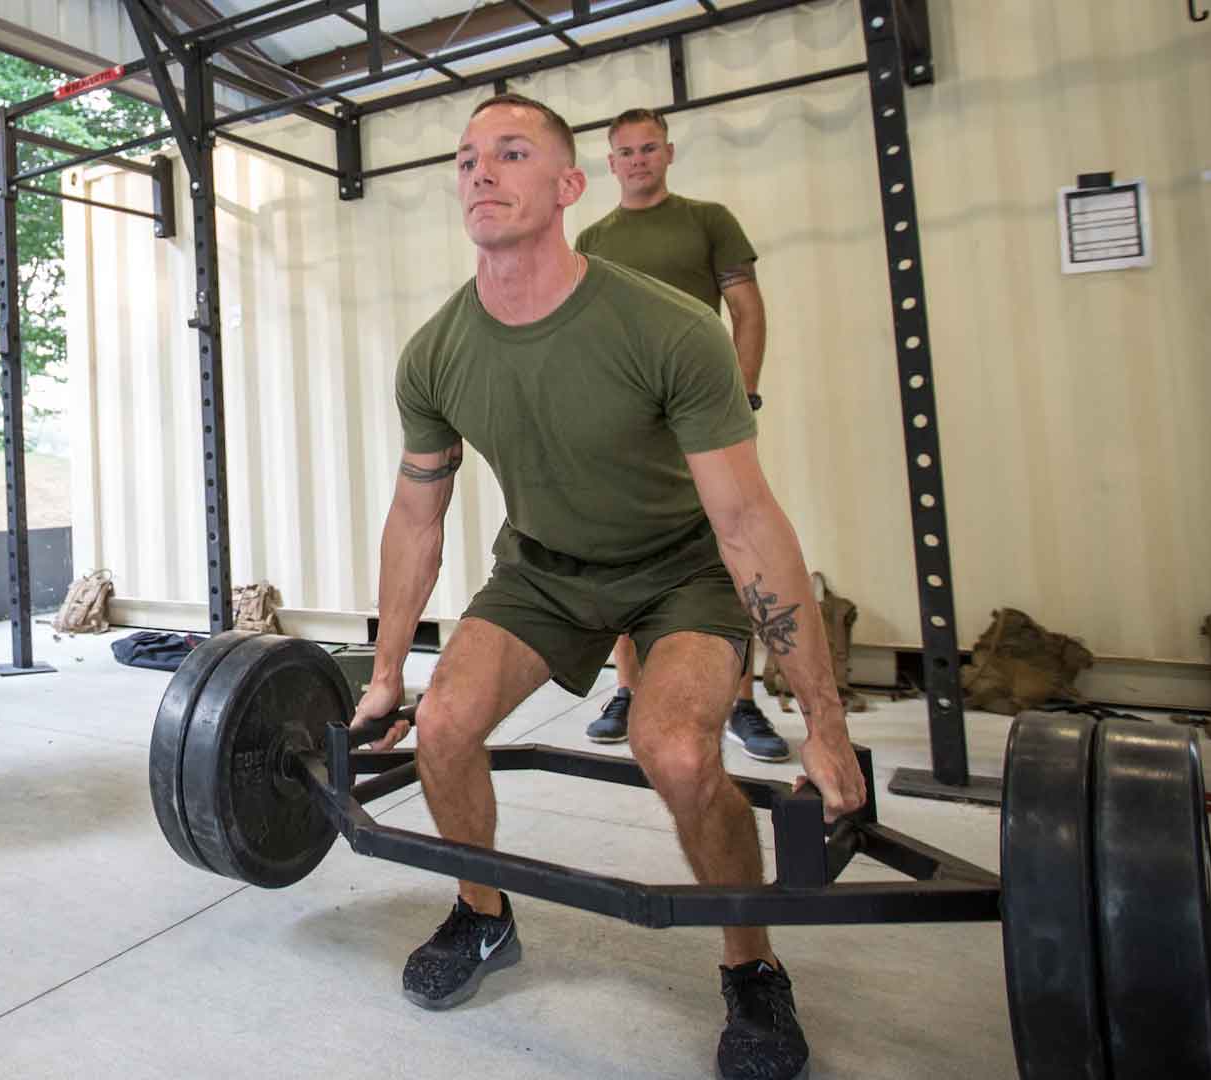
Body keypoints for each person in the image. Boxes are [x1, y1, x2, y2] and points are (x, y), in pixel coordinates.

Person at [348, 94, 866, 1080]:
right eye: (465, 160)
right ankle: (484, 915)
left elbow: (748, 523)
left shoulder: (668, 329)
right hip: (542, 571)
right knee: (445, 726)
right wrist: (384, 675)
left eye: (510, 154)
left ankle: (750, 967)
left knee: (671, 748)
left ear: (568, 187)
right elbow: (416, 517)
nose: (481, 173)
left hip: (679, 572)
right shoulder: (437, 352)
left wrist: (825, 722)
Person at [574, 107, 783, 761]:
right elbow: (583, 332)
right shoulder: (593, 238)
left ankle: (741, 703)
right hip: (626, 423)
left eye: (648, 149)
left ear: (667, 153)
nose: (637, 160)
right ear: (610, 164)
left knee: (734, 550)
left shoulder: (708, 221)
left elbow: (747, 309)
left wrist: (740, 396)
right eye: (625, 152)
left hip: (702, 415)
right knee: (620, 553)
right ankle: (629, 691)